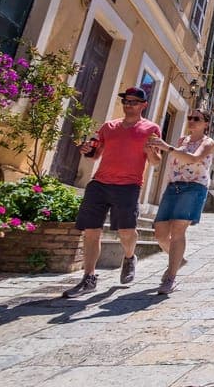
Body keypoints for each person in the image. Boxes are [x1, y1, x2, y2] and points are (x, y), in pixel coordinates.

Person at [62, 87, 162, 298]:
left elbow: (156, 162)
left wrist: (150, 153)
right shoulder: (109, 127)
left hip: (128, 186)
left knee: (126, 231)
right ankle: (89, 277)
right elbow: (94, 155)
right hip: (99, 183)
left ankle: (129, 257)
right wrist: (86, 150)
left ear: (143, 105)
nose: (129, 105)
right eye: (126, 101)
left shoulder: (151, 128)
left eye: (134, 102)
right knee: (91, 230)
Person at [147, 108, 214, 295]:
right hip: (173, 187)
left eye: (197, 119)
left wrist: (167, 147)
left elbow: (194, 158)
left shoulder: (208, 142)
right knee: (160, 234)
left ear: (206, 123)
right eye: (190, 118)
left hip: (194, 188)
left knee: (178, 230)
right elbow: (172, 162)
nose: (192, 121)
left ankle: (171, 276)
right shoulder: (182, 141)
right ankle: (178, 260)